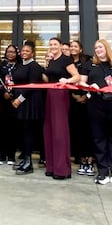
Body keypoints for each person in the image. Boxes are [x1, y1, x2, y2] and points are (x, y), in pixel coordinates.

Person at [86, 40, 112, 187]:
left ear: (107, 48)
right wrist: (90, 86)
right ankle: (102, 171)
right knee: (99, 138)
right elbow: (82, 83)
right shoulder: (89, 65)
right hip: (96, 105)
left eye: (100, 47)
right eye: (96, 47)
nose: (98, 49)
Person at [42, 37, 81, 180]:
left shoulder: (66, 59)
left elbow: (77, 77)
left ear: (60, 46)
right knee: (49, 130)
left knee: (59, 132)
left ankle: (62, 169)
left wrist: (67, 80)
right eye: (50, 44)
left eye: (55, 44)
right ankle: (51, 167)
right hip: (50, 95)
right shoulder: (51, 61)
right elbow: (47, 79)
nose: (52, 46)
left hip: (61, 95)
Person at [10, 41, 45, 175]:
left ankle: (29, 162)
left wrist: (19, 99)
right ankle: (25, 159)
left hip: (30, 103)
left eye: (27, 51)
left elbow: (32, 85)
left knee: (29, 132)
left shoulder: (35, 66)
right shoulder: (20, 65)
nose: (24, 53)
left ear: (32, 53)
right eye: (23, 51)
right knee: (23, 132)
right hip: (20, 102)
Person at [69, 40, 94, 176]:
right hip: (72, 100)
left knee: (87, 130)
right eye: (71, 46)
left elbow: (91, 80)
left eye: (75, 46)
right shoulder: (67, 62)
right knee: (76, 129)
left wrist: (86, 96)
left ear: (80, 49)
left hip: (87, 100)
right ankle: (78, 156)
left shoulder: (88, 61)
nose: (73, 48)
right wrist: (73, 96)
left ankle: (89, 158)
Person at [0, 44, 19, 165]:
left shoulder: (20, 66)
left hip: (15, 102)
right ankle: (1, 156)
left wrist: (14, 95)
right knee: (2, 129)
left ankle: (11, 156)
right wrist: (2, 93)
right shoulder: (0, 66)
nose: (10, 54)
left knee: (13, 130)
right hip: (3, 102)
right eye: (8, 52)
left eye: (13, 52)